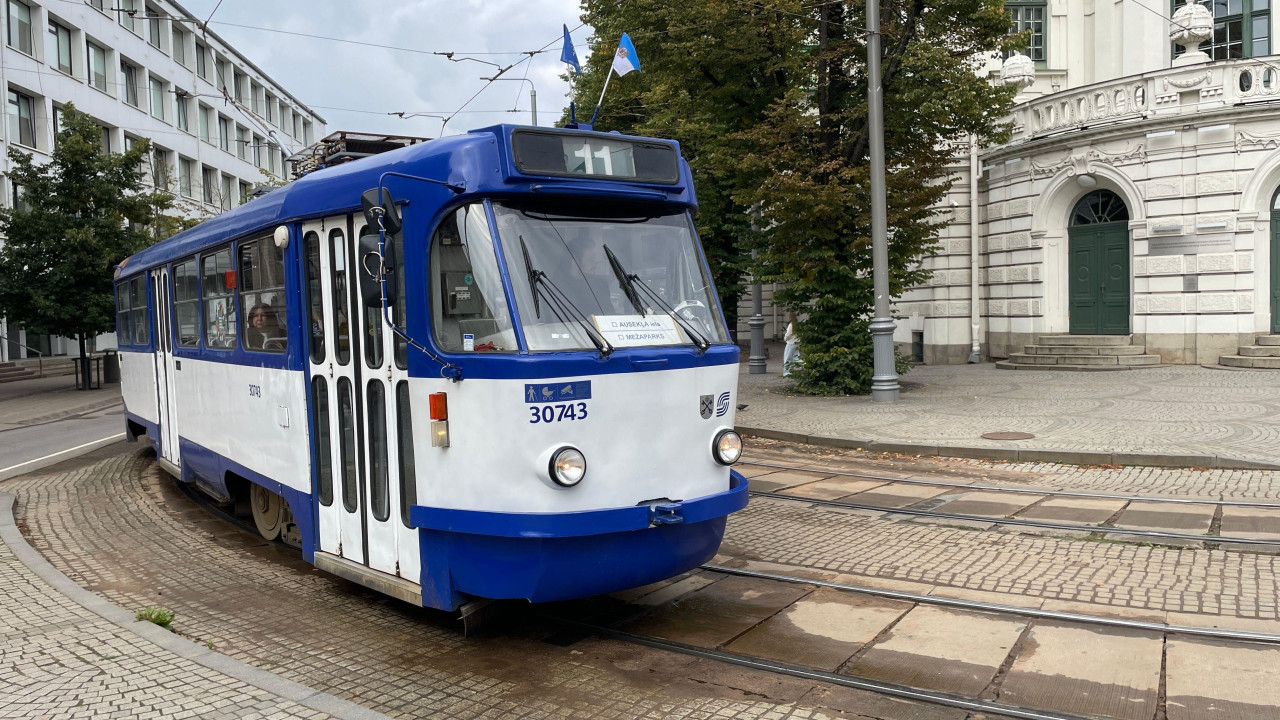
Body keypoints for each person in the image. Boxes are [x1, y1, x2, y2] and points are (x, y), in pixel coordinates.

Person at [783, 312, 801, 377]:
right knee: (796, 357)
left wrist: (785, 338)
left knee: (787, 358)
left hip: (790, 343)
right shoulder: (797, 324)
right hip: (796, 343)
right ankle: (804, 365)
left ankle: (786, 372)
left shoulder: (791, 325)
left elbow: (788, 334)